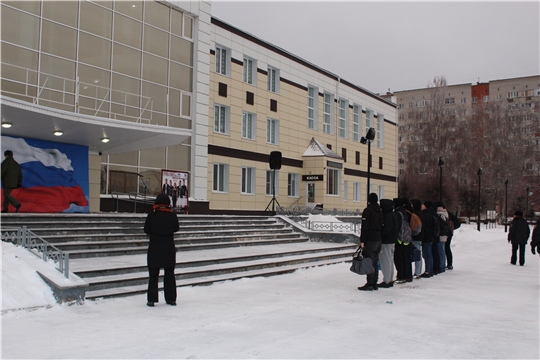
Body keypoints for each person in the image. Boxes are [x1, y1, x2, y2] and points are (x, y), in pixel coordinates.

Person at [144, 193, 179, 306]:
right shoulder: (172, 216)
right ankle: (171, 298)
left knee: (153, 274)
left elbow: (146, 230)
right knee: (169, 273)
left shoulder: (151, 216)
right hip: (168, 248)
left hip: (154, 248)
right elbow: (176, 228)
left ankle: (151, 299)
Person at [358, 193, 383, 291]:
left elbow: (365, 227)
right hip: (378, 238)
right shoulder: (380, 211)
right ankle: (374, 282)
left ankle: (370, 283)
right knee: (375, 261)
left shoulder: (367, 211)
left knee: (369, 261)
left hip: (370, 239)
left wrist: (362, 240)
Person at [394, 198, 413, 284]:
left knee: (399, 257)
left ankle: (401, 275)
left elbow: (397, 227)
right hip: (407, 238)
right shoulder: (406, 212)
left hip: (400, 239)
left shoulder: (398, 213)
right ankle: (408, 275)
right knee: (407, 257)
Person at [379, 199, 398, 288]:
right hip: (392, 240)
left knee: (385, 261)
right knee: (390, 260)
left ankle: (386, 280)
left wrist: (380, 234)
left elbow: (386, 229)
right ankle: (389, 278)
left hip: (386, 241)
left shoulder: (387, 216)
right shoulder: (393, 215)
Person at [420, 201, 436, 278]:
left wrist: (423, 236)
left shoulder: (426, 215)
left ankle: (428, 270)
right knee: (429, 254)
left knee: (427, 254)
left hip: (427, 238)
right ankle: (430, 270)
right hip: (431, 237)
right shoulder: (432, 214)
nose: (422, 206)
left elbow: (426, 228)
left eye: (423, 205)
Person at [410, 199, 424, 279]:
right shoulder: (422, 214)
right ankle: (418, 270)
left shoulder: (416, 215)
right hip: (421, 237)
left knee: (417, 254)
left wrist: (414, 234)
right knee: (418, 253)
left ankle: (417, 271)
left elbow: (418, 226)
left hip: (416, 237)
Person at [436, 201, 449, 274]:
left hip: (441, 235)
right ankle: (442, 265)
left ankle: (441, 266)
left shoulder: (440, 214)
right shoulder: (445, 213)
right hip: (444, 235)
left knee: (440, 251)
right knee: (442, 251)